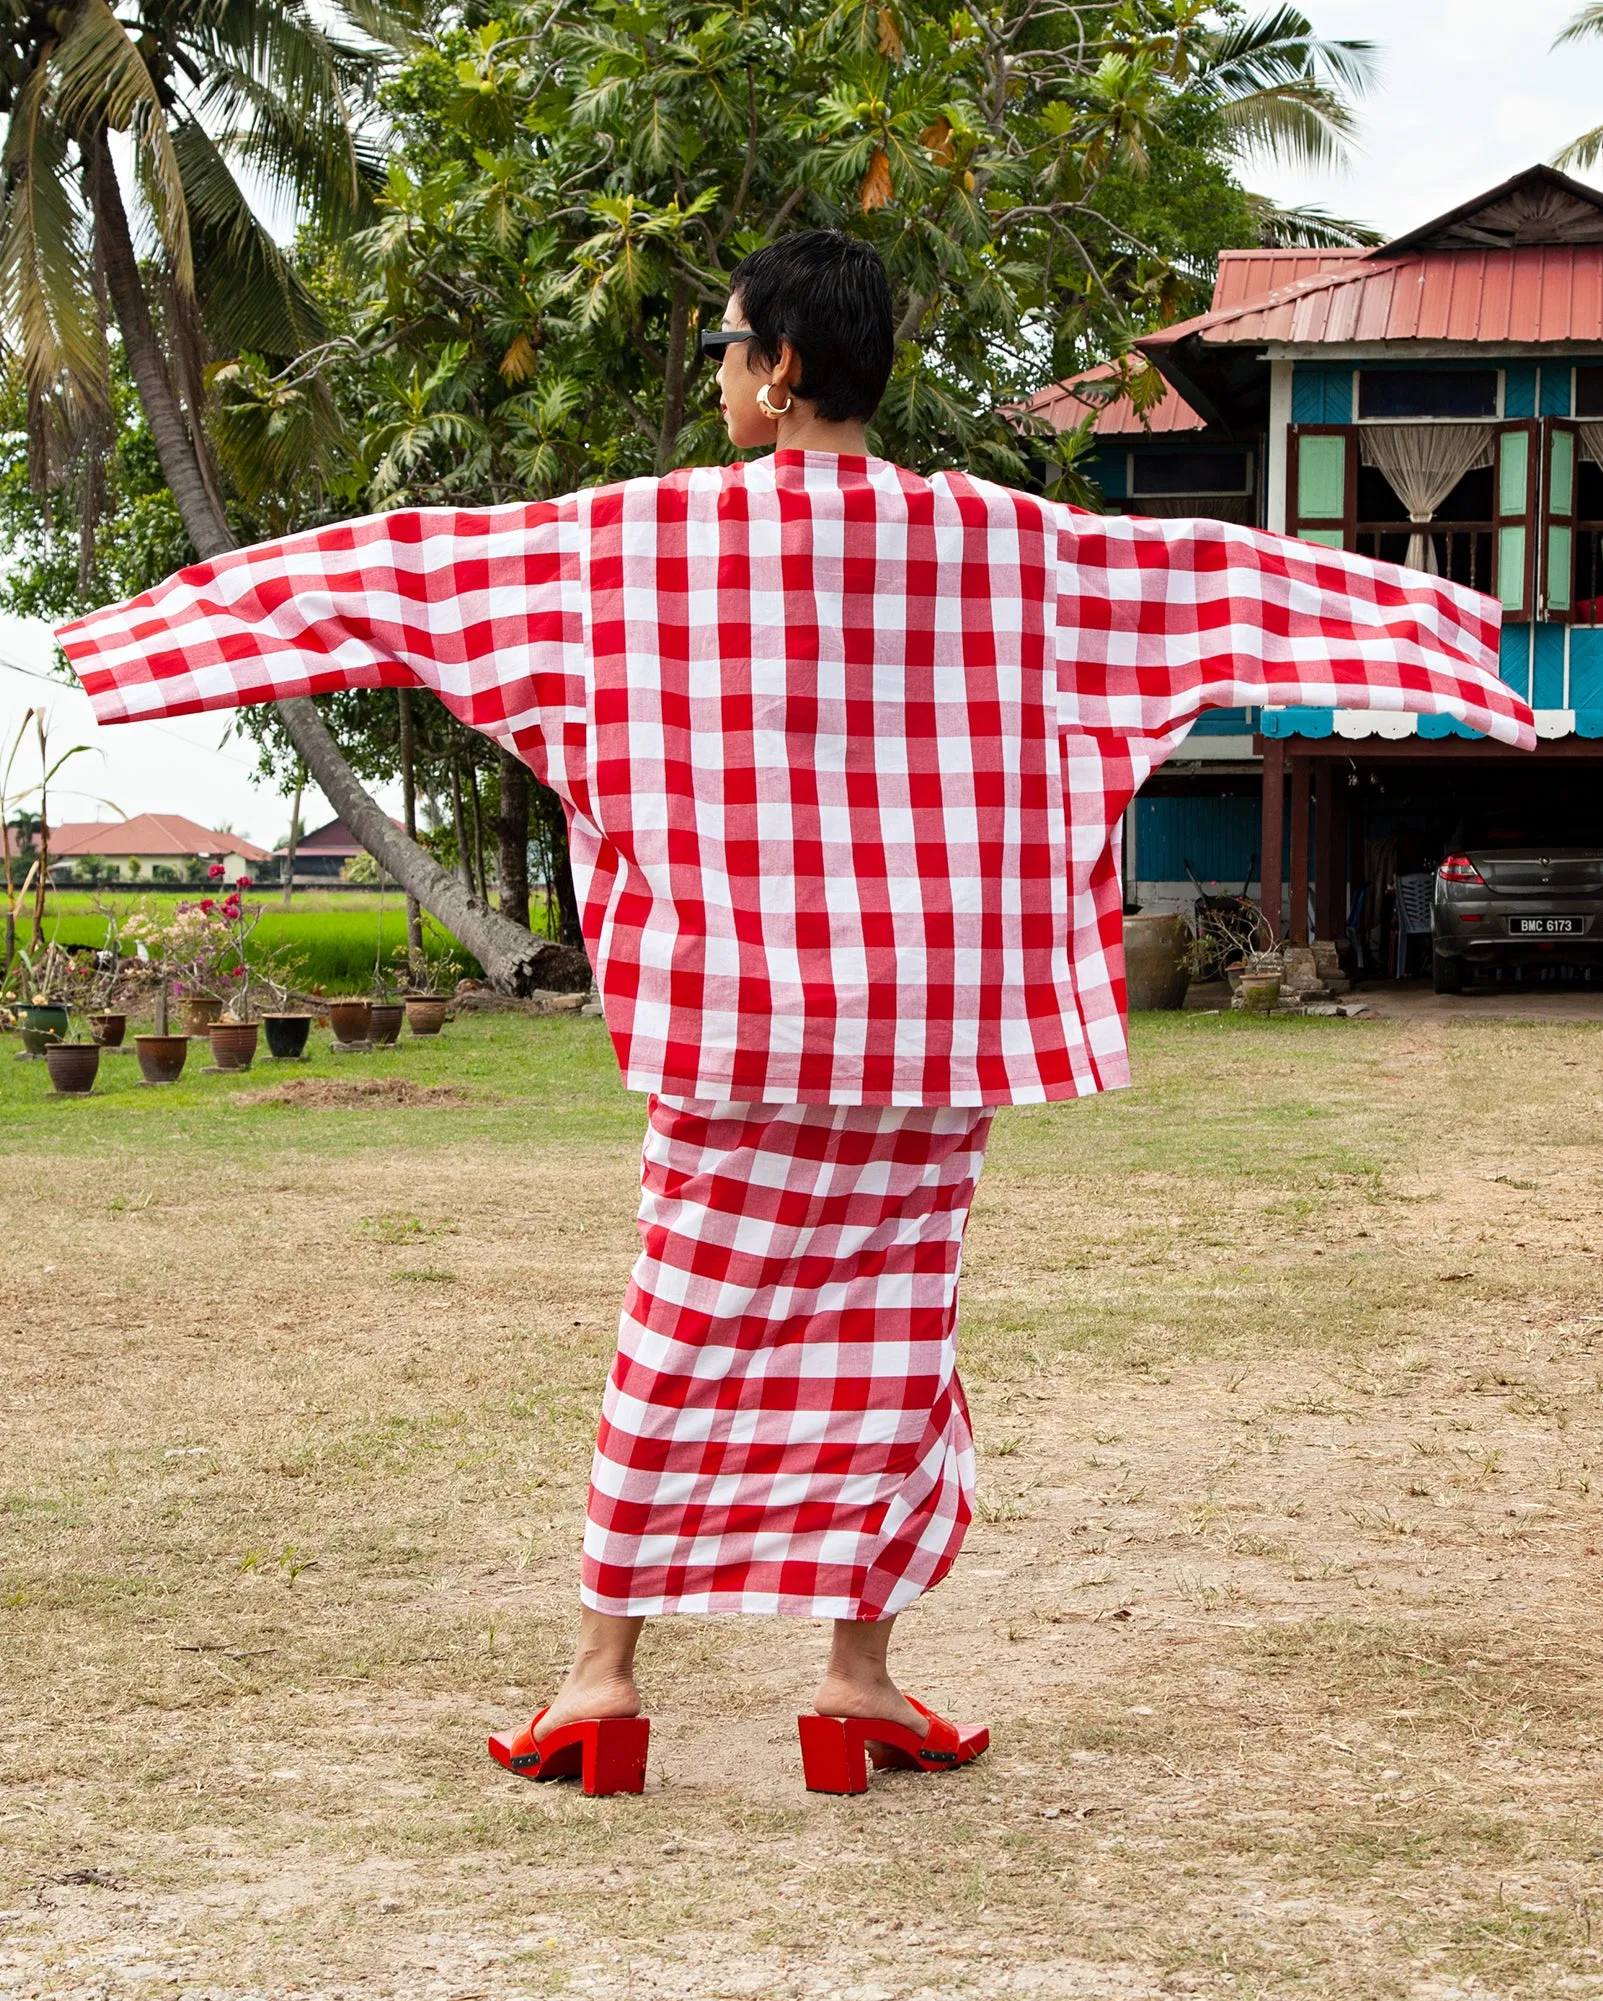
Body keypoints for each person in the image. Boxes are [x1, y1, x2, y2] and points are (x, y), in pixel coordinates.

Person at [59, 231, 1534, 1799]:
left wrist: (129, 653)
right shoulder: (1009, 548)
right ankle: (853, 1683)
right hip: (926, 1032)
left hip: (729, 1022)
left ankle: (599, 1682)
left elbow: (391, 576)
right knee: (893, 1347)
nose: (715, 372)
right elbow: (1232, 592)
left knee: (678, 1337)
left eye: (722, 345)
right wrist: (1469, 658)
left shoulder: (632, 545)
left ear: (777, 369)